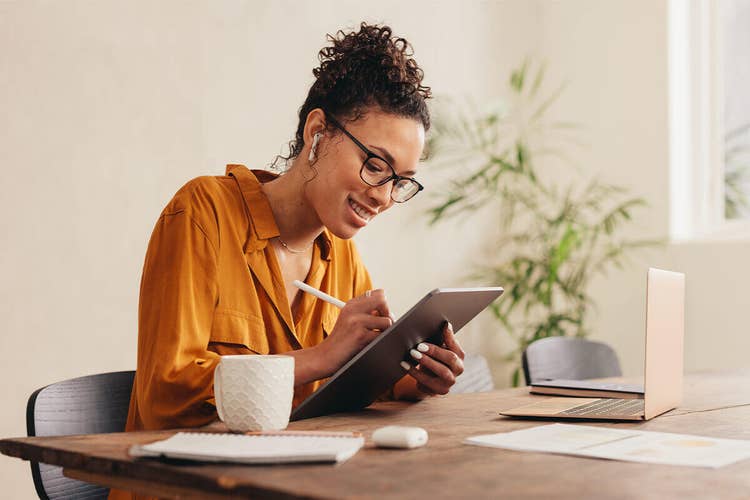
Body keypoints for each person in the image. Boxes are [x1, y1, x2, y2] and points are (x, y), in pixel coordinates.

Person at [123, 22, 465, 436]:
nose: (385, 196)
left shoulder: (339, 254)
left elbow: (349, 389)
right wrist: (320, 356)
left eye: (401, 181)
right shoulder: (202, 213)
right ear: (317, 132)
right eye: (375, 166)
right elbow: (165, 394)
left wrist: (416, 380)